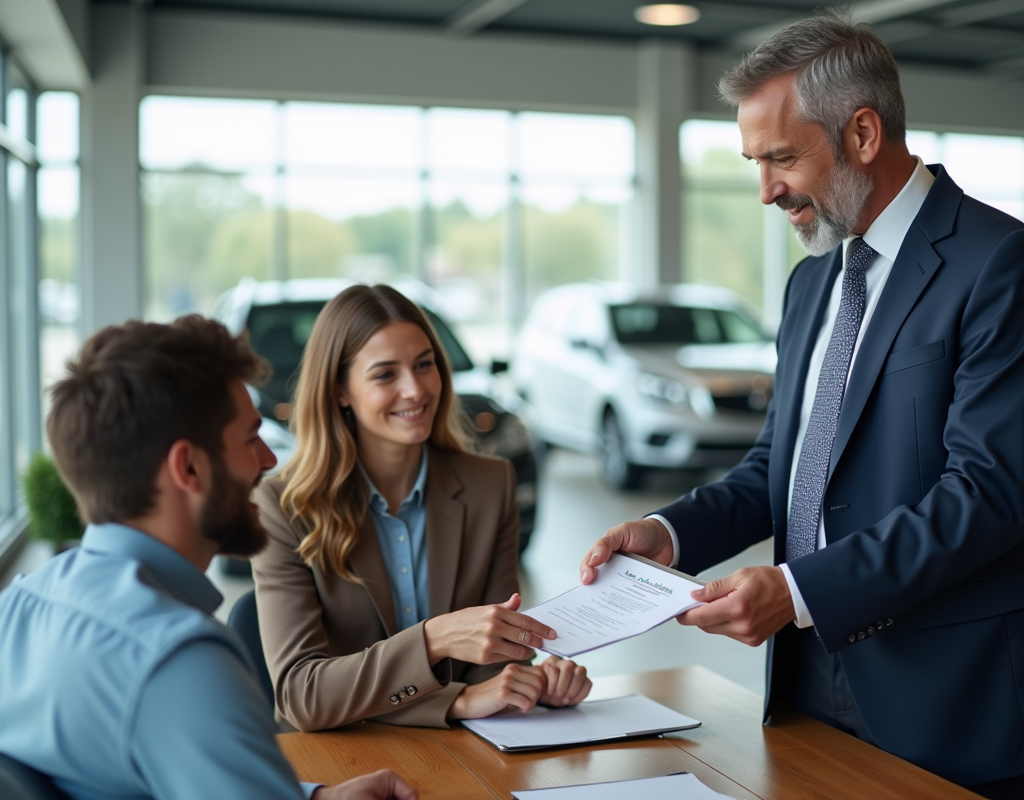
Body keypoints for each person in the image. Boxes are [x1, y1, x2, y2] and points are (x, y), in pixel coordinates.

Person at [579, 14, 1024, 800]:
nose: (766, 191)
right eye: (754, 162)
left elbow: (988, 496)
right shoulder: (812, 281)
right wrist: (671, 533)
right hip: (807, 668)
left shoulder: (1002, 265)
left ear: (865, 133)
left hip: (943, 684)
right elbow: (780, 463)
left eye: (781, 158)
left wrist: (799, 590)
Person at [0, 316, 417, 800]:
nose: (269, 460)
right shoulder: (181, 659)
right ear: (189, 467)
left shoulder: (17, 607)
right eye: (249, 439)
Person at [251, 284, 590, 732]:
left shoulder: (490, 485)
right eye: (385, 374)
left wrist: (531, 681)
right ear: (339, 391)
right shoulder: (283, 506)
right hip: (341, 759)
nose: (415, 390)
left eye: (425, 365)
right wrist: (440, 655)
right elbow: (303, 696)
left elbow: (493, 664)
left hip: (462, 755)